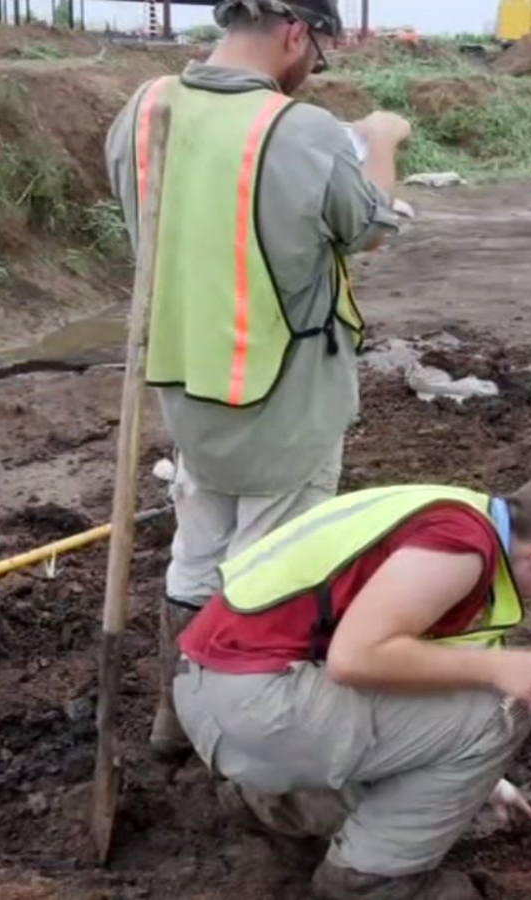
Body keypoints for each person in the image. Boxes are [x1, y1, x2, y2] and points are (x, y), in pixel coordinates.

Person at [102, 0, 415, 758]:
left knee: (199, 549)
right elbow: (369, 226)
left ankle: (173, 716)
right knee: (274, 568)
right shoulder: (299, 130)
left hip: (186, 382)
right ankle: (241, 737)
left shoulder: (143, 110)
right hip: (287, 395)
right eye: (316, 56)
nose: (311, 75)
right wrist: (380, 140)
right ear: (296, 34)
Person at [172, 470, 531, 900]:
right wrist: (498, 672)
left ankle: (277, 807)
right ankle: (367, 881)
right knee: (498, 711)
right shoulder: (461, 547)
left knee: (457, 711)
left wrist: (480, 778)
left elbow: (398, 670)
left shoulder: (449, 513)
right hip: (250, 705)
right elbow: (356, 658)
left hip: (218, 688)